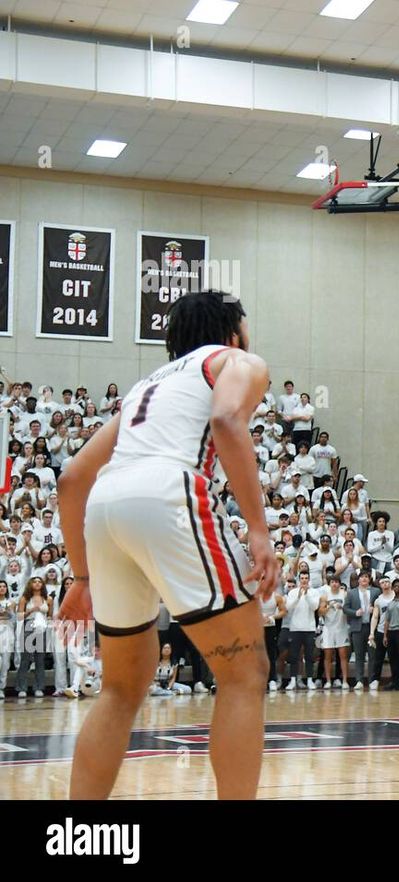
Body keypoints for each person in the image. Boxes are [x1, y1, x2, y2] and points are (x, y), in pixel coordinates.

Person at [56, 291, 280, 799]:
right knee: (245, 673)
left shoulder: (144, 388)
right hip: (168, 494)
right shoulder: (237, 360)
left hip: (106, 506)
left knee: (119, 687)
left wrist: (82, 577)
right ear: (234, 333)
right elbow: (227, 420)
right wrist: (259, 530)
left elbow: (71, 479)